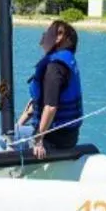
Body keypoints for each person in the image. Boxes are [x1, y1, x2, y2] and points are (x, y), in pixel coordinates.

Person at [17, 20, 83, 159]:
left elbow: (51, 107)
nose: (45, 36)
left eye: (48, 32)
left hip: (54, 138)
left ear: (59, 36)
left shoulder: (55, 68)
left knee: (3, 136)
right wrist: (18, 125)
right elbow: (34, 105)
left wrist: (38, 139)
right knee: (13, 132)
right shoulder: (66, 62)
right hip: (69, 135)